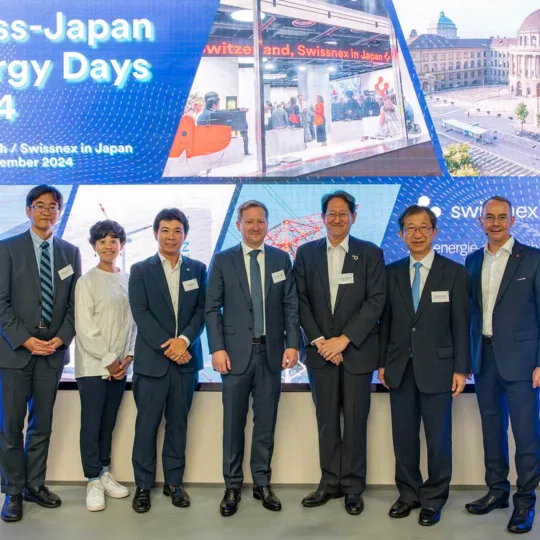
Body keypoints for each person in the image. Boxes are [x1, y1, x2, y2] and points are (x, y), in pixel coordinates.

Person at [205, 200, 299, 517]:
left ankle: (262, 483)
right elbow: (211, 308)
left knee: (265, 423)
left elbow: (290, 306)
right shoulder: (223, 260)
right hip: (233, 355)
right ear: (239, 225)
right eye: (249, 222)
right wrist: (216, 348)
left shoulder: (280, 259)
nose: (255, 227)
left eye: (260, 221)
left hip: (271, 353)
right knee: (233, 424)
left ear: (266, 224)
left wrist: (292, 344)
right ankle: (232, 485)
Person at [294, 190, 386, 516]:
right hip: (321, 355)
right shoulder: (305, 254)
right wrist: (321, 340)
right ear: (322, 218)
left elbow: (376, 301)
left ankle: (352, 488)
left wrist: (344, 340)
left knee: (356, 422)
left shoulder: (370, 253)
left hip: (357, 353)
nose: (336, 219)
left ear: (353, 217)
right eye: (331, 213)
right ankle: (329, 483)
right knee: (327, 422)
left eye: (343, 213)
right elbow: (300, 301)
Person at [379, 205, 470, 527]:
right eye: (410, 228)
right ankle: (408, 494)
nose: (416, 234)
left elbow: (462, 323)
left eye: (423, 228)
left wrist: (461, 369)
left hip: (440, 369)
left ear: (434, 231)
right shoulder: (390, 273)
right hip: (399, 369)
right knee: (403, 437)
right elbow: (385, 322)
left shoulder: (455, 272)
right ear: (401, 234)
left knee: (438, 439)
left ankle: (433, 499)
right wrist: (382, 363)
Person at [0, 185, 81, 523]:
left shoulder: (70, 252)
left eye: (53, 207)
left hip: (52, 353)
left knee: (42, 424)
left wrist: (60, 340)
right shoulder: (7, 249)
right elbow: (1, 304)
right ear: (28, 210)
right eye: (40, 206)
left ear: (60, 212)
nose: (47, 211)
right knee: (10, 427)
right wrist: (26, 340)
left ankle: (35, 484)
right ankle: (13, 491)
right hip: (16, 353)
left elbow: (74, 306)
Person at [465, 196, 540, 534]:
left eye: (502, 217)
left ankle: (525, 502)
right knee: (492, 432)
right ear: (480, 221)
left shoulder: (534, 259)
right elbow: (470, 314)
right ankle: (497, 491)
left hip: (523, 364)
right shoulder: (470, 261)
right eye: (489, 217)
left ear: (512, 220)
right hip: (485, 359)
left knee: (525, 435)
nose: (495, 223)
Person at [129, 208, 207, 514]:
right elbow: (141, 313)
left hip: (185, 362)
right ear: (155, 234)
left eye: (177, 230)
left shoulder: (198, 269)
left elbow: (202, 310)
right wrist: (169, 346)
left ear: (185, 235)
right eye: (165, 230)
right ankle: (143, 486)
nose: (171, 236)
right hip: (152, 364)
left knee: (178, 425)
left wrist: (183, 342)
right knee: (146, 426)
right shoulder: (140, 270)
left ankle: (175, 483)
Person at [74, 220, 136, 512]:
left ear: (122, 244)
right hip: (94, 367)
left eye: (114, 240)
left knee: (108, 423)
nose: (109, 245)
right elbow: (85, 329)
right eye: (102, 241)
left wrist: (128, 357)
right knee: (92, 423)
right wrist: (110, 360)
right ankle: (91, 480)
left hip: (120, 367)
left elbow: (133, 324)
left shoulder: (127, 280)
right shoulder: (86, 282)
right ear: (94, 246)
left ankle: (104, 471)